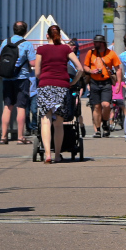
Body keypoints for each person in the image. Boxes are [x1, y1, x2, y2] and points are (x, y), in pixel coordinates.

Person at [32, 25, 84, 163]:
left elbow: (37, 72)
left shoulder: (41, 50)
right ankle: (57, 155)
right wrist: (73, 82)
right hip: (62, 86)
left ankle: (48, 154)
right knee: (59, 123)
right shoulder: (66, 49)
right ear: (60, 35)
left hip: (45, 86)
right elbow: (80, 68)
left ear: (47, 35)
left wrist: (43, 77)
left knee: (45, 121)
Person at [0, 21, 35, 145]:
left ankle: (3, 137)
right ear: (25, 31)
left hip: (7, 78)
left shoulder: (5, 42)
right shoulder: (27, 44)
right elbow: (33, 63)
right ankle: (20, 137)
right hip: (21, 78)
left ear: (14, 30)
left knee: (7, 107)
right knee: (21, 107)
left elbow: (0, 58)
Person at [83, 34, 122, 138]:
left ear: (102, 43)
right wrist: (91, 71)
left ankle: (105, 123)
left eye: (97, 42)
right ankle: (98, 130)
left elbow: (118, 69)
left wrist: (118, 84)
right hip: (94, 82)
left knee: (106, 105)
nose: (95, 44)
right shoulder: (90, 53)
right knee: (96, 107)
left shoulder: (111, 54)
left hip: (106, 83)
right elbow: (85, 67)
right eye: (94, 42)